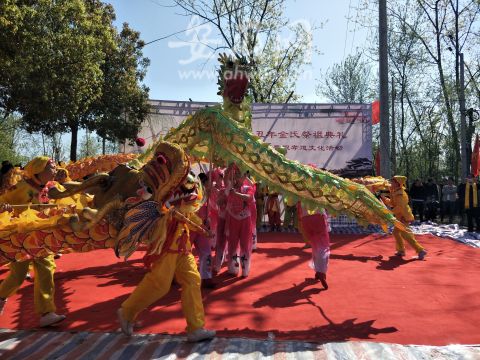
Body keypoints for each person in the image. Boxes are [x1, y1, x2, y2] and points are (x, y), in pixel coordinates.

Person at [117, 182, 216, 342]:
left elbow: (191, 216)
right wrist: (168, 210)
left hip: (183, 249)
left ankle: (196, 328)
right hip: (167, 248)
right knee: (159, 285)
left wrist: (203, 228)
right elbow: (159, 210)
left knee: (193, 281)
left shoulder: (185, 200)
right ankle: (127, 312)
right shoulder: (167, 197)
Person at [0, 156, 66, 327]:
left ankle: (47, 313)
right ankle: (1, 296)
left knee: (47, 270)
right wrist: (4, 207)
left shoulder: (54, 188)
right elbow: (3, 201)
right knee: (18, 276)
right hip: (21, 239)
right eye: (51, 167)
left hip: (44, 238)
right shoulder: (20, 187)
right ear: (39, 170)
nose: (55, 170)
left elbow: (65, 200)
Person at [381, 176, 427, 259]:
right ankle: (401, 250)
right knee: (396, 233)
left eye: (393, 182)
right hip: (400, 216)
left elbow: (399, 207)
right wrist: (385, 200)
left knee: (405, 234)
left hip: (403, 216)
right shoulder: (395, 191)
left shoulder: (400, 194)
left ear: (398, 183)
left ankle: (420, 250)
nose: (391, 183)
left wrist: (390, 212)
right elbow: (393, 203)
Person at [225, 163, 255, 277]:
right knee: (232, 244)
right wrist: (230, 166)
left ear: (244, 177)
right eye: (235, 174)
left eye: (239, 174)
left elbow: (248, 198)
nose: (237, 176)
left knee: (244, 245)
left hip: (245, 219)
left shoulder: (248, 188)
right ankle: (233, 268)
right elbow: (226, 177)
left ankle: (245, 269)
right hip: (233, 219)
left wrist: (236, 193)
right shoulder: (229, 187)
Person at [297, 202, 330, 289]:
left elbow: (298, 206)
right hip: (318, 216)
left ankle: (318, 270)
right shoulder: (320, 188)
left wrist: (300, 220)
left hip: (305, 219)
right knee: (323, 247)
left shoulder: (300, 190)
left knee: (315, 245)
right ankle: (321, 271)